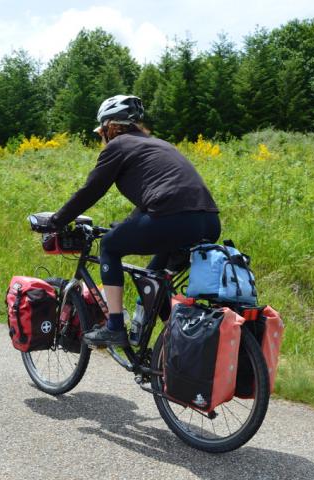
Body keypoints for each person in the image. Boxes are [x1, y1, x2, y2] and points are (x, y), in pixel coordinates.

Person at [50, 95, 221, 347]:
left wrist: (56, 221)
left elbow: (91, 190)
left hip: (172, 218)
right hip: (208, 222)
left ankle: (115, 327)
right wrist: (126, 225)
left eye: (102, 131)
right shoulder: (158, 145)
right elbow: (158, 196)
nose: (102, 137)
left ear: (110, 126)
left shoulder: (118, 146)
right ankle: (182, 342)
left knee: (109, 246)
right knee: (154, 278)